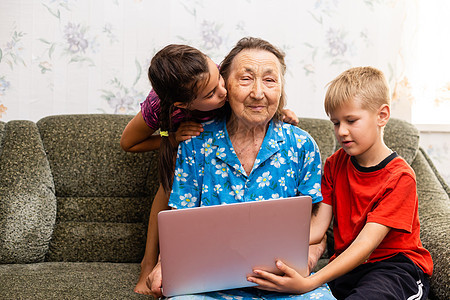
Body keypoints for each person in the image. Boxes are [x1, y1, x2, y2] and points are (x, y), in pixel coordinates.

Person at [147, 37, 335, 300]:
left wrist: (306, 264)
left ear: (280, 89)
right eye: (246, 79)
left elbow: (318, 228)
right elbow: (178, 227)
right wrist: (161, 267)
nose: (258, 93)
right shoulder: (194, 143)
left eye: (270, 80)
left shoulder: (302, 144)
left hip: (285, 287)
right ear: (225, 86)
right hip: (210, 286)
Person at [120, 44, 300, 295]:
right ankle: (147, 263)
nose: (223, 92)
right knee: (169, 186)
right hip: (185, 143)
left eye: (220, 81)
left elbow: (255, 98)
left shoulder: (217, 79)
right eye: (211, 94)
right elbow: (128, 142)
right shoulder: (160, 106)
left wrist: (279, 112)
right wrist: (170, 137)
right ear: (184, 104)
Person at [250, 67, 433, 299]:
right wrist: (261, 244)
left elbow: (364, 247)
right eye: (336, 123)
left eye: (351, 121)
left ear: (382, 115)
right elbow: (317, 229)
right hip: (348, 268)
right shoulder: (334, 164)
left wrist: (310, 281)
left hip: (394, 268)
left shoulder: (400, 176)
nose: (342, 132)